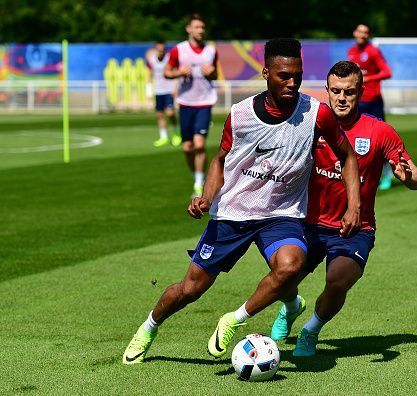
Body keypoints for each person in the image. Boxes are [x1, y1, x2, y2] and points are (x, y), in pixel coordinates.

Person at [122, 39, 361, 364]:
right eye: (284, 75)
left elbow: (347, 155)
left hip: (282, 214)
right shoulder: (240, 115)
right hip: (233, 212)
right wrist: (206, 197)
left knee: (291, 265)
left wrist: (353, 205)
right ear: (266, 73)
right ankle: (148, 328)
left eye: (298, 76)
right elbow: (220, 160)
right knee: (190, 289)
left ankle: (233, 320)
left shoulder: (318, 114)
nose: (292, 82)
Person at [269, 61, 417, 357]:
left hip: (355, 229)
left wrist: (409, 177)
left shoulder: (380, 131)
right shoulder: (309, 125)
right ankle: (291, 306)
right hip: (307, 223)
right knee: (281, 276)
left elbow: (415, 178)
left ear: (361, 92)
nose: (341, 98)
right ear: (327, 91)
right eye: (336, 91)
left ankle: (310, 331)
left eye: (349, 92)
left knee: (337, 280)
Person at [164, 14, 218, 197]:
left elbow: (215, 75)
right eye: (197, 27)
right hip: (186, 102)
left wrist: (212, 73)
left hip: (205, 102)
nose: (200, 30)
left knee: (199, 144)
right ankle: (196, 174)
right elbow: (166, 72)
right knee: (187, 147)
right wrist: (178, 72)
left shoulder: (211, 51)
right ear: (188, 29)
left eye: (202, 27)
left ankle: (199, 183)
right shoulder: (178, 50)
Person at [347, 23, 394, 189]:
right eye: (359, 31)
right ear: (354, 32)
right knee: (353, 140)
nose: (362, 34)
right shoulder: (351, 52)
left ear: (368, 35)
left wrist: (368, 79)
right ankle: (359, 176)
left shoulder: (373, 51)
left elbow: (387, 72)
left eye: (365, 32)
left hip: (373, 101)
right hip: (357, 102)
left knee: (380, 141)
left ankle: (387, 175)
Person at [147, 40, 180, 148]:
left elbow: (175, 72)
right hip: (158, 91)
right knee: (159, 115)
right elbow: (150, 75)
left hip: (169, 90)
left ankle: (176, 134)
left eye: (162, 50)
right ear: (156, 49)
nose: (161, 52)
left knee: (170, 113)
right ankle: (163, 137)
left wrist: (175, 88)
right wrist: (148, 91)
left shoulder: (169, 58)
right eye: (158, 50)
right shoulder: (152, 60)